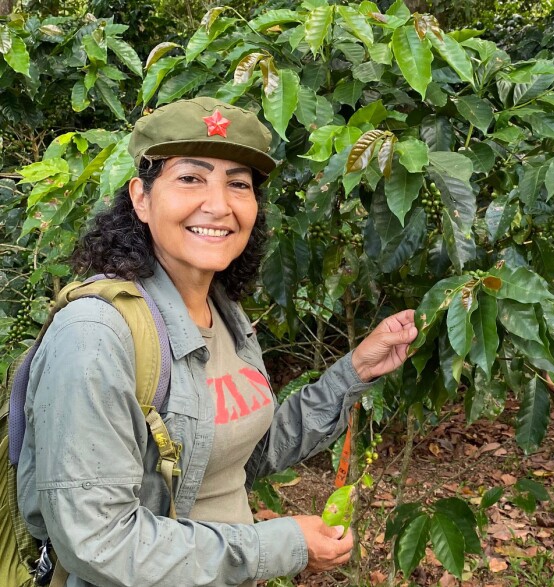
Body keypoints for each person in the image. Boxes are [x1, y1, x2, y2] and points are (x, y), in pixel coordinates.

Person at [16, 97, 417, 586]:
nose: (219, 204)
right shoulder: (96, 336)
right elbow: (99, 541)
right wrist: (282, 545)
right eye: (190, 177)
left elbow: (241, 454)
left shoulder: (224, 312)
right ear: (141, 197)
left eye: (238, 184)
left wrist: (354, 372)